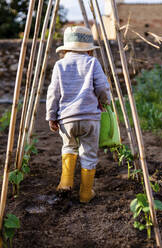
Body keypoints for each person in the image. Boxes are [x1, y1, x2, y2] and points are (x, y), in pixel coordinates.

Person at [46, 26, 111, 203]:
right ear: (89, 49)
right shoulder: (92, 63)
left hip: (67, 119)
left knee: (69, 147)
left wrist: (51, 116)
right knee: (89, 154)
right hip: (90, 118)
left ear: (66, 49)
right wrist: (105, 102)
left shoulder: (60, 65)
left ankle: (65, 183)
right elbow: (103, 87)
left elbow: (53, 92)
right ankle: (85, 194)